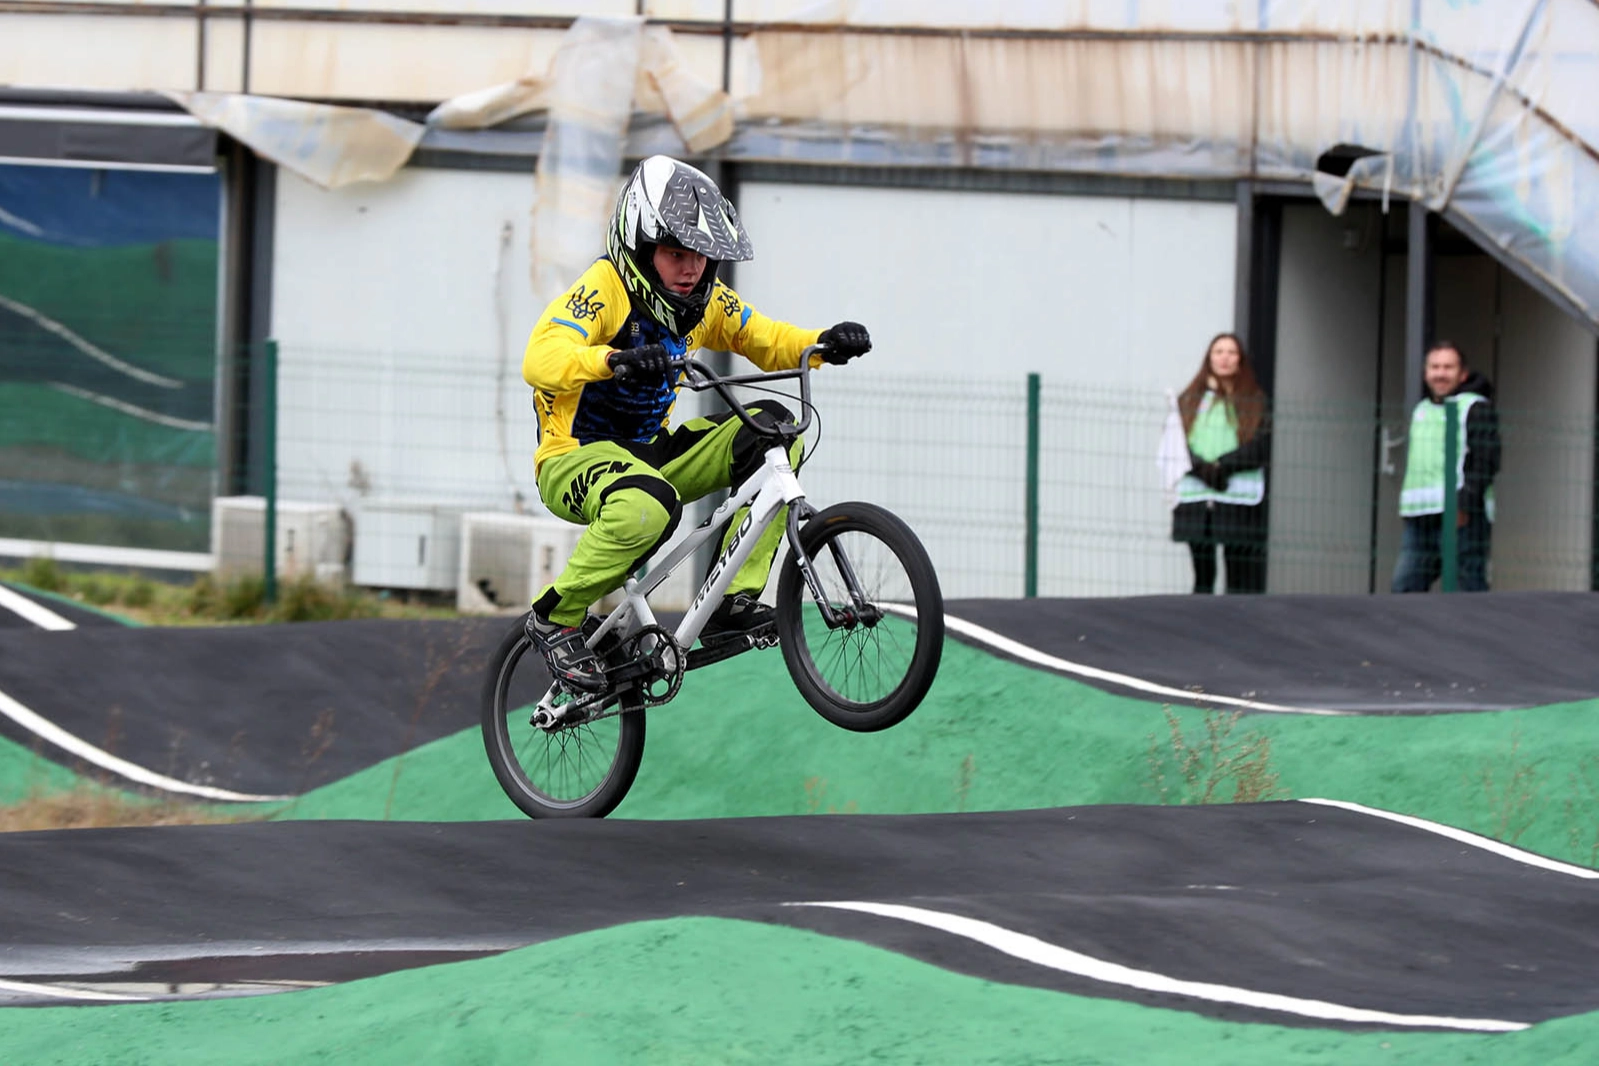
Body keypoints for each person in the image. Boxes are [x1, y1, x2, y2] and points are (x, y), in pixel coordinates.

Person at [520, 155, 872, 691]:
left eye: (703, 257)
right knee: (648, 503)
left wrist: (824, 344)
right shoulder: (605, 289)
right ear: (639, 248)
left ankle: (733, 602)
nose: (692, 269)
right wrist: (608, 360)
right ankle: (555, 616)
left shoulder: (702, 301)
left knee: (775, 430)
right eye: (676, 253)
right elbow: (541, 358)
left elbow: (767, 338)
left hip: (651, 455)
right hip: (572, 459)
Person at [1392, 341, 1500, 593]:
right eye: (1434, 367)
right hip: (1419, 518)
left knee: (1466, 591)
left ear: (1462, 374)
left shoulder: (1474, 407)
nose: (1440, 373)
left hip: (1460, 517)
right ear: (1426, 372)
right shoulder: (1422, 409)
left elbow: (1487, 459)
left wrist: (1464, 503)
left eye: (1448, 367)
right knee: (1404, 589)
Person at [1168, 333, 1271, 594]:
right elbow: (1175, 441)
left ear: (1240, 360)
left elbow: (1260, 444)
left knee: (1238, 572)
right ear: (1209, 358)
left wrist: (1224, 467)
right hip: (1197, 494)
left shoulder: (1255, 401)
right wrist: (1203, 470)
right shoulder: (1189, 400)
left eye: (1231, 352)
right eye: (1218, 352)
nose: (1225, 358)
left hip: (1236, 494)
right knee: (1203, 573)